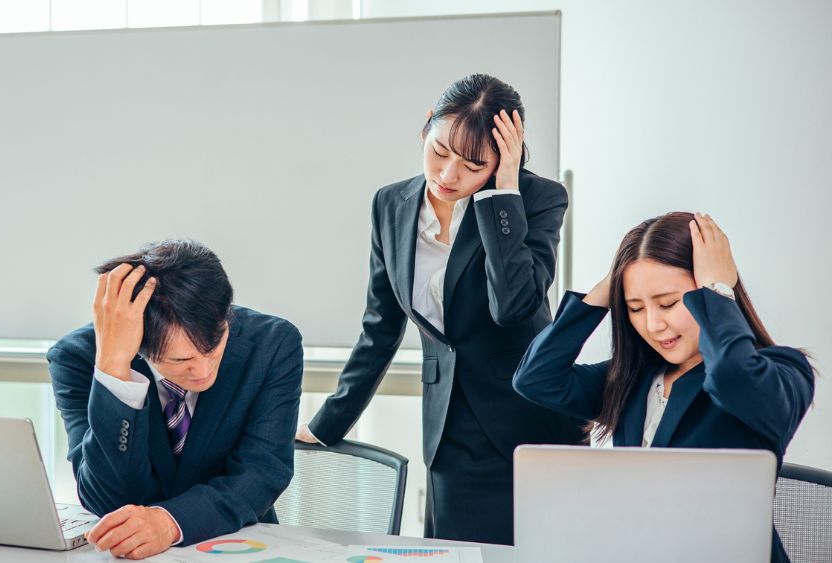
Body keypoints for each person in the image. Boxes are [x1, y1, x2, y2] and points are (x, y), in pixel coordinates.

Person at [296, 73, 586, 545]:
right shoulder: (391, 204)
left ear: (504, 158)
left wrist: (502, 194)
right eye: (440, 151)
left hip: (529, 424)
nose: (449, 175)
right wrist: (329, 421)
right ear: (426, 125)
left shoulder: (538, 199)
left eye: (474, 165)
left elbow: (513, 306)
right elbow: (380, 327)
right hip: (450, 430)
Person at [512, 212, 814, 563]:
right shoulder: (633, 378)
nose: (653, 324)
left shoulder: (781, 372)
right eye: (636, 308)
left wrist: (719, 289)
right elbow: (536, 378)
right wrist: (605, 290)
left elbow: (732, 376)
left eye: (668, 303)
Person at [48, 240, 303, 560]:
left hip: (237, 544)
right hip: (130, 555)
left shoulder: (272, 344)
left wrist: (171, 522)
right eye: (180, 360)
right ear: (139, 345)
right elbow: (105, 500)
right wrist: (114, 369)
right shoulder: (77, 358)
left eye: (213, 348)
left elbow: (262, 473)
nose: (203, 371)